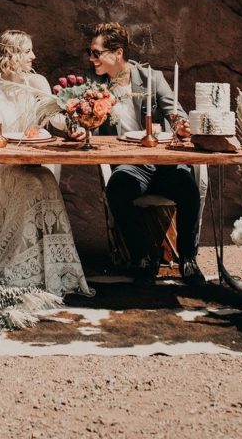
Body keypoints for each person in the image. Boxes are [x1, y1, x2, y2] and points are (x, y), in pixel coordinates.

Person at [0, 30, 93, 297]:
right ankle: (19, 271)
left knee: (42, 180)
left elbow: (56, 119)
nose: (33, 56)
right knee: (32, 186)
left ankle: (54, 269)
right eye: (27, 51)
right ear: (10, 55)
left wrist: (75, 127)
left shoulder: (38, 83)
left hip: (31, 163)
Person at [87, 21, 205, 286]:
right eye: (91, 52)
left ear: (117, 53)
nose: (91, 58)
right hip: (130, 164)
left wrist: (180, 126)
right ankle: (141, 256)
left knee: (187, 187)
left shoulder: (151, 78)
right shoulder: (93, 83)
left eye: (96, 53)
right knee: (117, 188)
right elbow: (85, 122)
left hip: (161, 161)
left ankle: (188, 259)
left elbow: (176, 113)